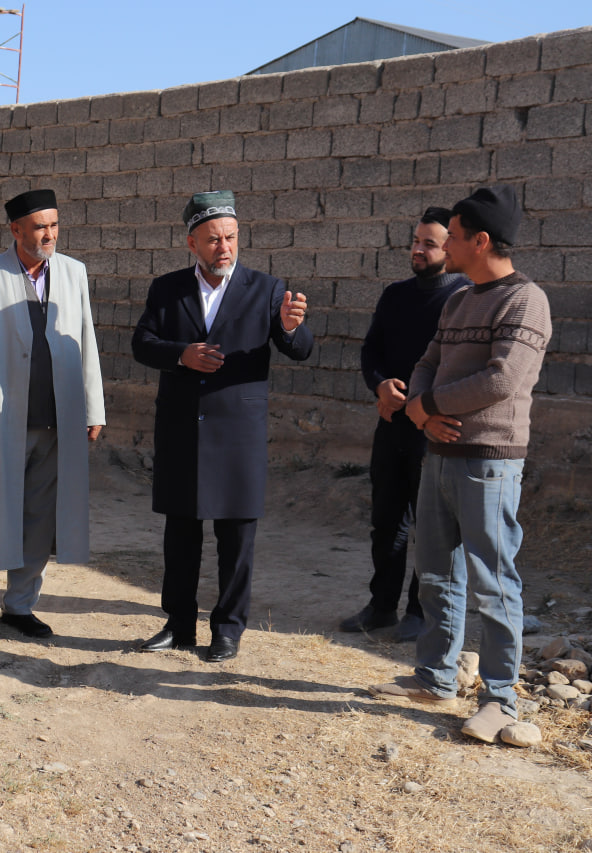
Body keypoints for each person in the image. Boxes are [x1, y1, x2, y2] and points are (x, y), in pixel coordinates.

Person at [370, 185, 551, 744]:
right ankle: (435, 677)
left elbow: (502, 380)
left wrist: (427, 405)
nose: (444, 244)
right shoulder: (458, 300)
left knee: (494, 583)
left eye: (452, 235)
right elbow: (428, 362)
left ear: (481, 240)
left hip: (489, 462)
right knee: (436, 574)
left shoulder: (525, 300)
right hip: (440, 454)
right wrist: (424, 416)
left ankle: (500, 701)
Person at [131, 191, 313, 663]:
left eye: (231, 237)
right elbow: (142, 343)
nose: (224, 247)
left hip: (237, 434)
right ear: (192, 243)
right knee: (181, 534)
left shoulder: (266, 289)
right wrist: (181, 355)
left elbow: (300, 349)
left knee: (236, 537)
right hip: (182, 429)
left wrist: (290, 327)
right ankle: (179, 625)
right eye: (213, 239)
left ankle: (228, 630)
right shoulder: (167, 289)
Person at [0, 189, 106, 639]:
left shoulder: (73, 272)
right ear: (16, 230)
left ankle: (20, 606)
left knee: (40, 518)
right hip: (3, 423)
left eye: (54, 225)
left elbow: (86, 341)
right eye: (40, 227)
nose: (49, 235)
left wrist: (93, 408)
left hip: (59, 421)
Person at [340, 208, 469, 641]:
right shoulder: (395, 295)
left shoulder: (464, 298)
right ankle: (381, 606)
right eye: (415, 241)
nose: (417, 249)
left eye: (429, 243)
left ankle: (420, 611)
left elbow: (458, 367)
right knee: (386, 520)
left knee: (431, 528)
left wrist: (424, 404)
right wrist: (379, 386)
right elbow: (371, 351)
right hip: (392, 424)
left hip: (434, 430)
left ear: (450, 247)